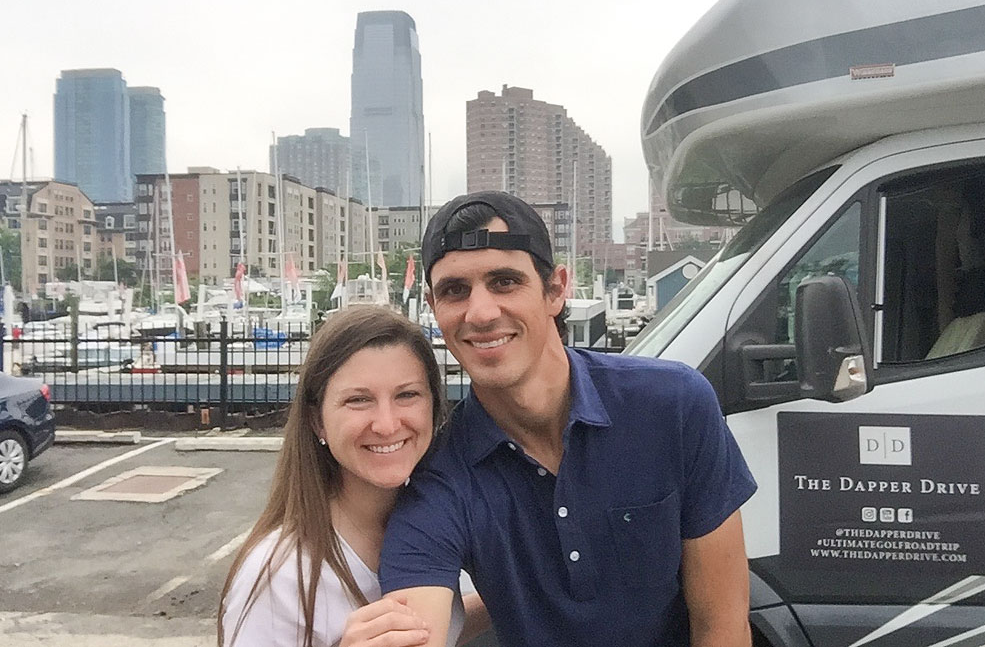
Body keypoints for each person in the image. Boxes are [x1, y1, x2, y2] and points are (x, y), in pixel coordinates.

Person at [377, 191, 758, 647]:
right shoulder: (440, 475)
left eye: (504, 282)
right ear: (433, 307)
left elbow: (722, 626)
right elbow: (417, 619)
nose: (480, 313)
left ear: (556, 289)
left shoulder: (674, 405)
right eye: (455, 290)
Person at [218, 306, 488, 647]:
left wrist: (512, 595)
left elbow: (433, 630)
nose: (387, 425)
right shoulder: (280, 576)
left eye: (407, 395)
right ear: (317, 421)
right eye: (358, 400)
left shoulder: (434, 522)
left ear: (434, 406)